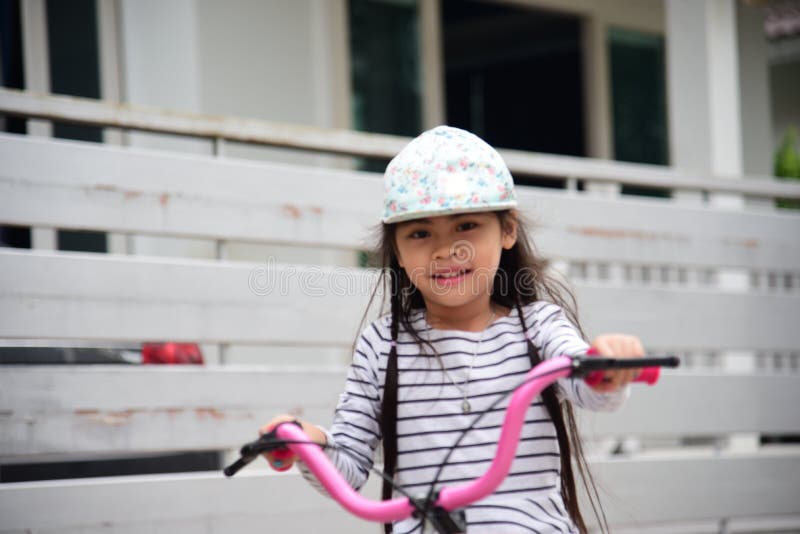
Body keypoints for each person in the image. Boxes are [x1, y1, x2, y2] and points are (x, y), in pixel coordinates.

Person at [260, 125, 644, 534]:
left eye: (466, 227)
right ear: (398, 252)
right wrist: (306, 442)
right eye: (421, 233)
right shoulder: (383, 345)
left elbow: (588, 385)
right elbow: (348, 467)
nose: (445, 250)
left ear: (508, 229)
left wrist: (607, 365)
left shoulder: (538, 326)